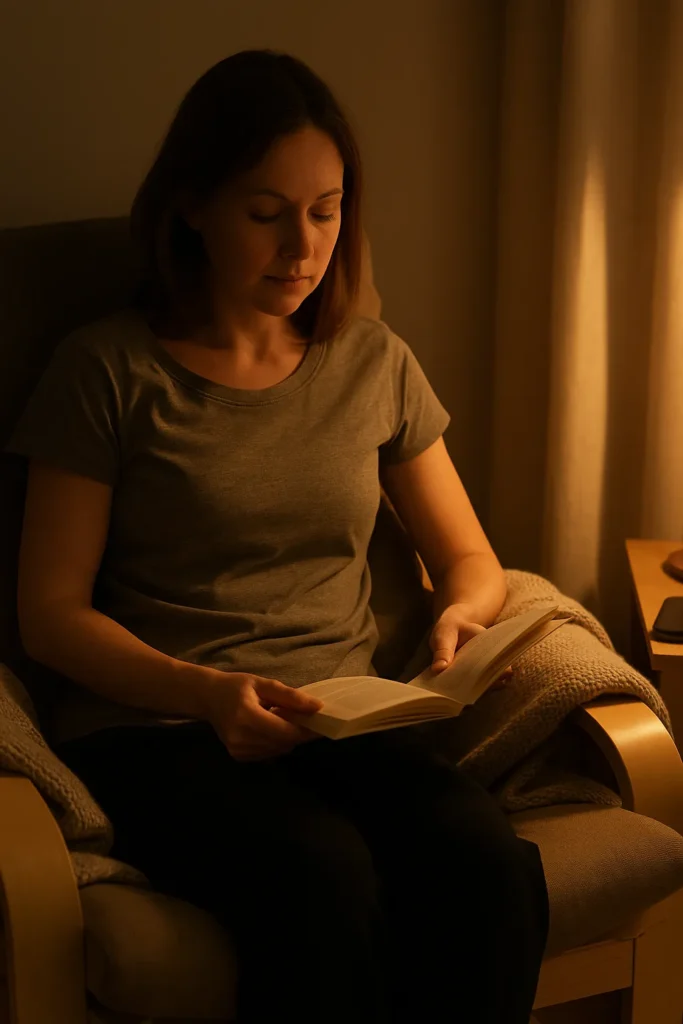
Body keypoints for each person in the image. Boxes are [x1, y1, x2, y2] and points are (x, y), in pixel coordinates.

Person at [6, 49, 549, 1023]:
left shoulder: (371, 362)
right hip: (162, 727)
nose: (302, 247)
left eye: (325, 211)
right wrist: (207, 692)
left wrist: (459, 620)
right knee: (320, 877)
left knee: (486, 860)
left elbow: (468, 556)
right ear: (191, 207)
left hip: (336, 716)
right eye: (266, 214)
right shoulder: (106, 372)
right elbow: (48, 615)